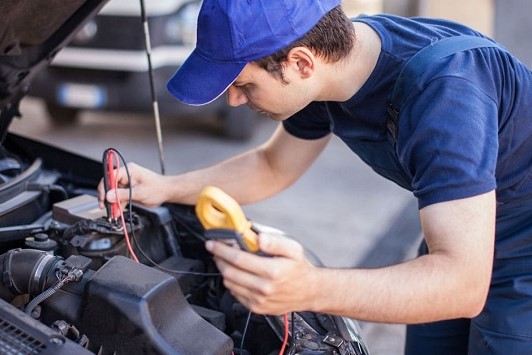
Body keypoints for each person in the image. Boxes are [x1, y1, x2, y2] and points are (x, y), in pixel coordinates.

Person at [98, 0, 532, 353]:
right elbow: (272, 166)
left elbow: (462, 284)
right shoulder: (335, 69)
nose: (233, 100)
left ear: (301, 63)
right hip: (464, 225)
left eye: (244, 84)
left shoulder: (444, 94)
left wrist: (308, 288)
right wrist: (163, 187)